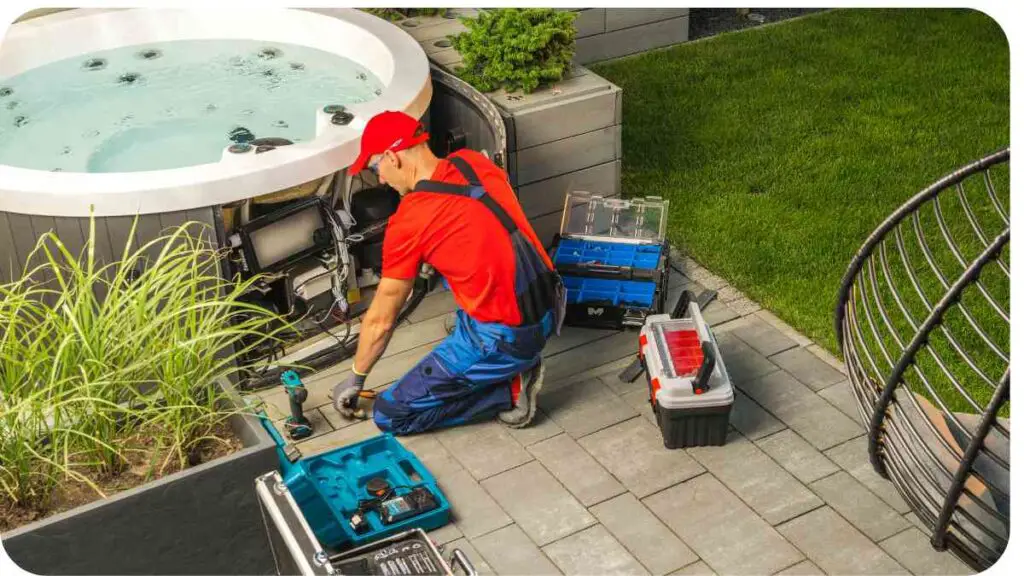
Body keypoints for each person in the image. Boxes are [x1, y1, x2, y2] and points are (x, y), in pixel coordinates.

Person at [331, 110, 564, 435]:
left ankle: (508, 391)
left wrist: (355, 377)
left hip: (507, 338)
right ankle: (496, 357)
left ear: (391, 157)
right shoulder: (472, 162)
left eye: (375, 168)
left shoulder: (412, 219)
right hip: (549, 301)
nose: (380, 179)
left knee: (390, 415)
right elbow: (484, 226)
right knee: (457, 284)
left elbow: (381, 320)